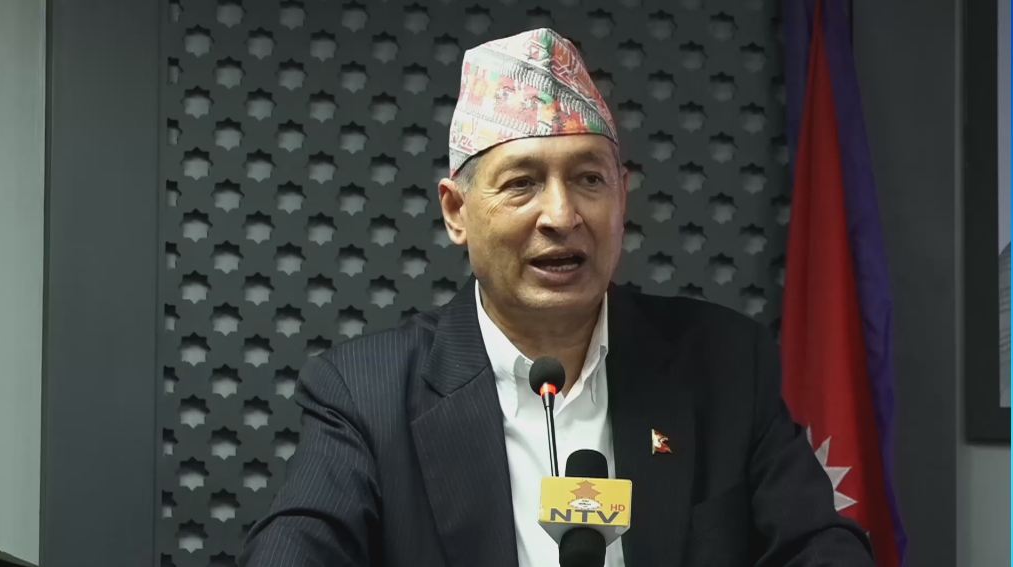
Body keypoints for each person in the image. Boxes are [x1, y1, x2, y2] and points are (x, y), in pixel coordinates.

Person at [240, 28, 873, 567]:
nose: (562, 216)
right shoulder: (365, 392)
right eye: (522, 184)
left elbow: (820, 546)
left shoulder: (724, 363)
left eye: (589, 179)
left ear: (622, 196)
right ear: (456, 212)